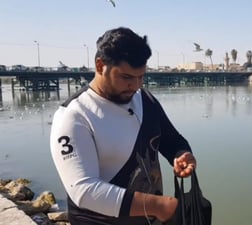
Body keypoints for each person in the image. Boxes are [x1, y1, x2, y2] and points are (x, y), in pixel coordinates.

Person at [50, 27, 196, 225]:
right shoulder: (74, 116)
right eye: (126, 77)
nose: (135, 86)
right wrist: (158, 206)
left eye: (141, 77)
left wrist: (181, 154)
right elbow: (83, 191)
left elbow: (172, 140)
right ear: (101, 65)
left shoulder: (145, 100)